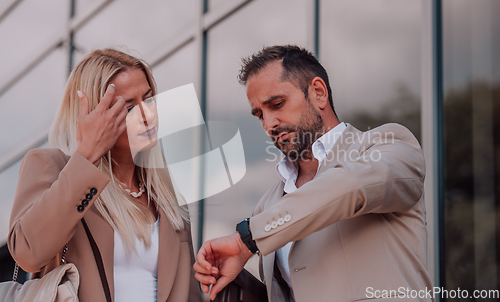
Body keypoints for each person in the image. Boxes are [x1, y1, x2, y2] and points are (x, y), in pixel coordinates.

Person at [193, 45, 434, 302]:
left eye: (277, 104)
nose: (269, 124)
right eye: (259, 115)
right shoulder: (266, 207)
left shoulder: (389, 147)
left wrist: (247, 240)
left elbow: (350, 186)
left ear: (318, 93)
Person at [8, 48, 201, 302]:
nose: (147, 115)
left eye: (149, 99)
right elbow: (28, 252)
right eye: (129, 108)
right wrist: (87, 155)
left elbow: (190, 294)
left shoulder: (169, 199)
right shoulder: (51, 166)